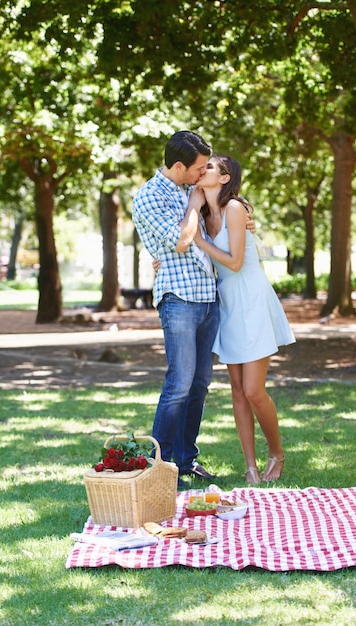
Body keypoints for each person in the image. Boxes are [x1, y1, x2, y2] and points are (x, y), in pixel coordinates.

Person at [193, 154, 296, 484]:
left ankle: (277, 453)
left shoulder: (236, 209)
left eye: (208, 167)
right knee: (236, 390)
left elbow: (236, 263)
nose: (201, 170)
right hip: (227, 304)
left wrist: (197, 240)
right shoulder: (202, 212)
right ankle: (250, 466)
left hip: (251, 299)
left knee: (253, 390)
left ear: (224, 178)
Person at [131, 130, 219, 488]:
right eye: (199, 167)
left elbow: (212, 232)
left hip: (207, 297)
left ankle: (185, 461)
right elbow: (182, 241)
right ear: (179, 166)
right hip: (179, 299)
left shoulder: (189, 188)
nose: (204, 173)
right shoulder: (150, 197)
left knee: (199, 384)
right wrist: (195, 207)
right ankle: (160, 468)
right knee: (179, 383)